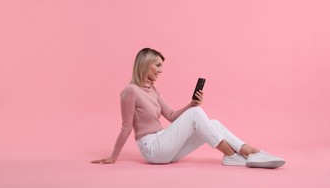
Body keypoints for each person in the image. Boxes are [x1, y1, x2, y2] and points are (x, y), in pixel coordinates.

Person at [91, 48, 285, 168]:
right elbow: (126, 126)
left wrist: (191, 104)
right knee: (197, 114)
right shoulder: (130, 91)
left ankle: (244, 153)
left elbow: (171, 115)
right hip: (152, 149)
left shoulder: (153, 90)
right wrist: (113, 157)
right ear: (145, 64)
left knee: (212, 122)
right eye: (157, 65)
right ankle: (238, 154)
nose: (161, 70)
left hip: (165, 146)